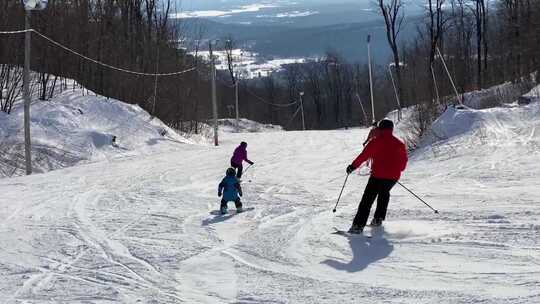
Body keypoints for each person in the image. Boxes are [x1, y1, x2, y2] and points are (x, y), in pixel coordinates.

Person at [345, 119, 408, 233]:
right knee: (384, 193)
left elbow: (363, 156)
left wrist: (353, 166)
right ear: (391, 129)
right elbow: (403, 165)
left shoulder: (375, 141)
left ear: (380, 129)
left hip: (377, 176)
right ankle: (378, 219)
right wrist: (393, 171)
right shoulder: (400, 143)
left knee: (367, 199)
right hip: (393, 177)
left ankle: (358, 226)